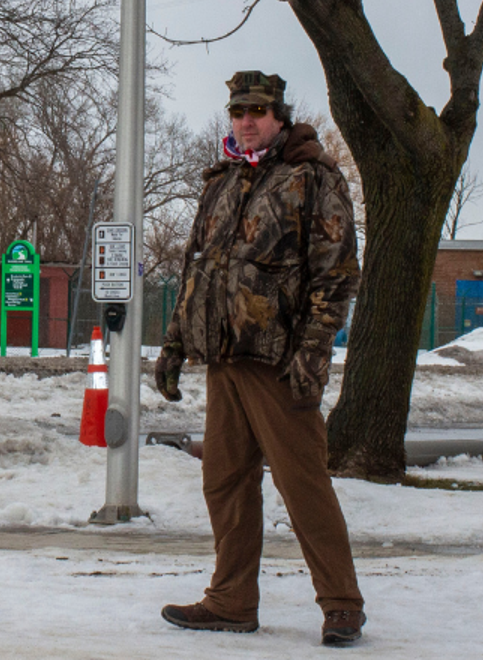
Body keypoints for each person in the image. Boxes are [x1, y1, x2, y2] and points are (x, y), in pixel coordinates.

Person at [154, 70, 367, 648]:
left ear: (279, 115)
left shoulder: (311, 178)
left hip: (278, 361)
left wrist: (312, 355)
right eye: (237, 112)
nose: (245, 122)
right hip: (224, 357)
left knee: (303, 484)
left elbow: (336, 275)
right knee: (224, 480)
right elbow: (199, 269)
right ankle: (230, 601)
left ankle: (342, 603)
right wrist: (174, 344)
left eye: (257, 112)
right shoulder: (221, 180)